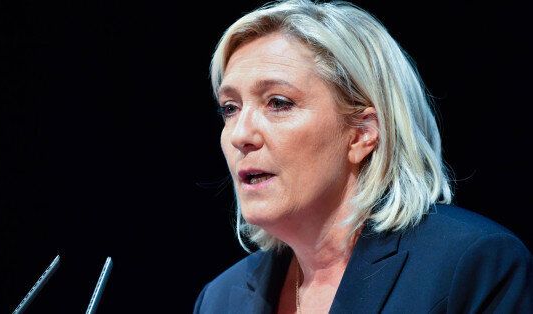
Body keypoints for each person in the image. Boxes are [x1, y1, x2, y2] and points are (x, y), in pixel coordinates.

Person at [193, 0, 532, 313]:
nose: (240, 135)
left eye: (278, 103)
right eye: (230, 108)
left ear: (361, 133)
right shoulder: (221, 299)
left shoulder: (471, 264)